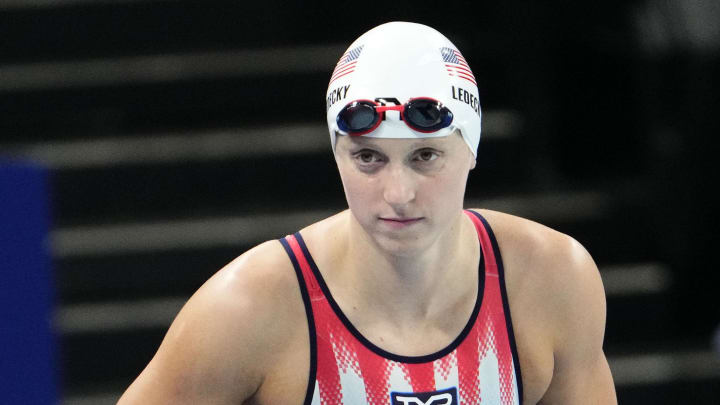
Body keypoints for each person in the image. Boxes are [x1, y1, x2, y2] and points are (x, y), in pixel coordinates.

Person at [118, 21, 616, 404]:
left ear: (472, 151)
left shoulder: (551, 283)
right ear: (338, 157)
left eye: (424, 157)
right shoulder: (247, 310)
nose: (397, 194)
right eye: (368, 158)